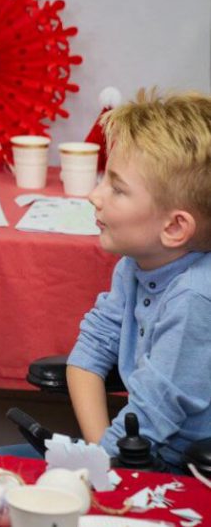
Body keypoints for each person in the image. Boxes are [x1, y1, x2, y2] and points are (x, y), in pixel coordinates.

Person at [65, 90, 211, 470]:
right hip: (132, 451)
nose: (95, 196)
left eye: (117, 187)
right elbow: (90, 351)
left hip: (182, 472)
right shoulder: (135, 264)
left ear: (174, 226)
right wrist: (98, 452)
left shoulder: (194, 298)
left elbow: (153, 414)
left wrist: (98, 467)